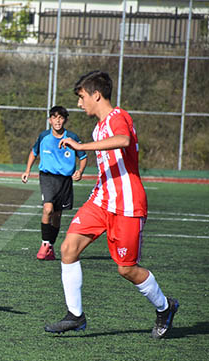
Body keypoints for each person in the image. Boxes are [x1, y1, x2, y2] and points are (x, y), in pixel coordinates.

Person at [46, 70, 178, 338]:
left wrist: (81, 147)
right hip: (101, 201)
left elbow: (123, 140)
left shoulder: (119, 116)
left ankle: (165, 307)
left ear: (96, 95)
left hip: (128, 204)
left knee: (126, 268)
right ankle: (75, 316)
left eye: (82, 97)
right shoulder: (98, 128)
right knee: (68, 248)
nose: (79, 103)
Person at [22, 106, 87, 261]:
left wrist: (80, 171)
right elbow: (34, 152)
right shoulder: (44, 136)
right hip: (47, 177)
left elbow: (83, 157)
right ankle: (44, 243)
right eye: (54, 117)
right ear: (50, 120)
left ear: (65, 120)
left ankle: (50, 247)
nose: (57, 121)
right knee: (48, 209)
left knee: (57, 215)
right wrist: (27, 170)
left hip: (65, 180)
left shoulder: (72, 137)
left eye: (61, 118)